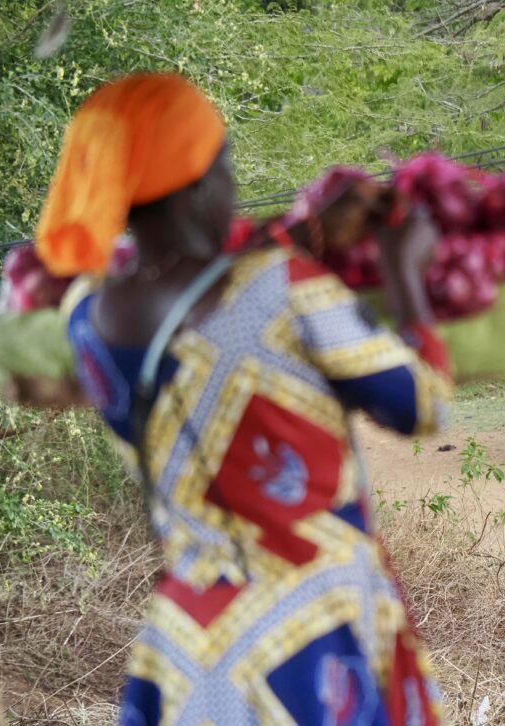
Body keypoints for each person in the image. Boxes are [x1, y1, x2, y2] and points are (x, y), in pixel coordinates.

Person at [33, 72, 449, 725]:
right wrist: (405, 272)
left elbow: (206, 309)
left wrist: (306, 230)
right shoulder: (288, 288)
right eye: (225, 165)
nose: (232, 187)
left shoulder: (87, 320)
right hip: (312, 635)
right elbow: (422, 404)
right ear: (197, 184)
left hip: (190, 647)